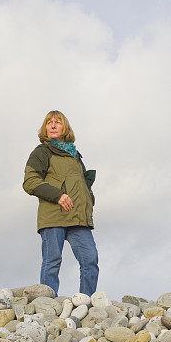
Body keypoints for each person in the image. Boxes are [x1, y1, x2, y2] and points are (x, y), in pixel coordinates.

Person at [23, 110, 99, 296]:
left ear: (65, 127)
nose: (53, 125)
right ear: (45, 128)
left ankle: (86, 303)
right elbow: (30, 182)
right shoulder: (42, 152)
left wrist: (89, 200)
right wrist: (58, 195)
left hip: (78, 217)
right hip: (53, 216)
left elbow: (81, 186)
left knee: (90, 260)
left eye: (58, 122)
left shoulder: (76, 156)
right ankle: (47, 304)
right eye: (49, 122)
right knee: (52, 262)